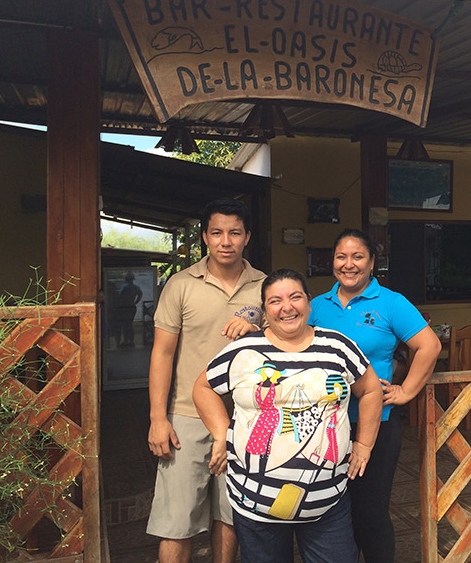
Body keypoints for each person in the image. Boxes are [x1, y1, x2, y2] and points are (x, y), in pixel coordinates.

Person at [193, 268, 382, 563]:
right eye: (275, 301)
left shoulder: (337, 347)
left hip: (327, 504)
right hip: (255, 505)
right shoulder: (243, 350)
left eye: (295, 297)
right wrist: (221, 435)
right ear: (265, 310)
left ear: (308, 302)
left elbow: (370, 390)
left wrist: (365, 444)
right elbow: (203, 387)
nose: (287, 307)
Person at [308, 229, 441, 563]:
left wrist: (407, 390)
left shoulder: (391, 303)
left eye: (358, 257)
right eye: (341, 256)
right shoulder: (316, 306)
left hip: (375, 423)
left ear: (371, 263)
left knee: (370, 511)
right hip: (325, 425)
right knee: (332, 510)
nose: (348, 264)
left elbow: (429, 345)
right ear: (332, 261)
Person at [147, 198, 266, 563]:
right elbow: (162, 353)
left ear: (247, 237)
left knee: (231, 515)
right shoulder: (181, 285)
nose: (225, 241)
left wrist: (257, 329)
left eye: (234, 232)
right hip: (187, 414)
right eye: (216, 233)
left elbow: (285, 342)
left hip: (248, 418)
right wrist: (157, 418)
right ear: (204, 237)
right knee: (176, 519)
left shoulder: (265, 286)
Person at [115, 271, 143, 347]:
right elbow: (140, 294)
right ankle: (131, 340)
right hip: (131, 307)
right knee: (129, 324)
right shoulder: (135, 287)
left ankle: (126, 340)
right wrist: (135, 302)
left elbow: (119, 296)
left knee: (125, 325)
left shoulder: (124, 287)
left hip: (124, 307)